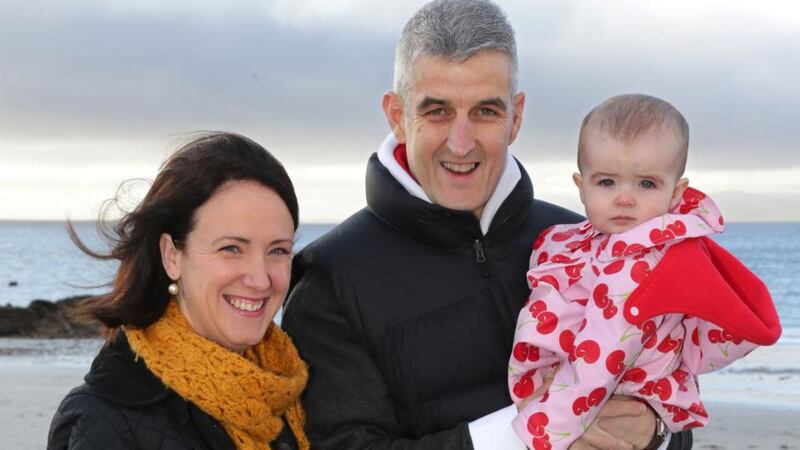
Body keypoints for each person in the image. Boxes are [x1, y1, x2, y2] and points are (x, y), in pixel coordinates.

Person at [282, 1, 692, 448]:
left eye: (485, 112)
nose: (461, 144)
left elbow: (669, 394)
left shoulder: (592, 244)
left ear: (516, 117)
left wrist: (656, 432)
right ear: (397, 117)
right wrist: (523, 432)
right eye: (437, 111)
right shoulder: (332, 278)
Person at [508, 94, 782, 449]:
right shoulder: (573, 241)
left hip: (591, 405)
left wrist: (540, 434)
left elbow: (600, 362)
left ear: (675, 193)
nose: (625, 198)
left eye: (646, 184)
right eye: (607, 182)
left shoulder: (642, 267)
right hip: (575, 400)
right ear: (581, 186)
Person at [48, 132, 310, 450]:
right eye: (231, 248)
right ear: (172, 255)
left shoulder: (290, 388)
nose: (261, 279)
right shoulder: (107, 420)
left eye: (278, 250)